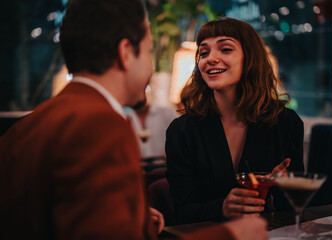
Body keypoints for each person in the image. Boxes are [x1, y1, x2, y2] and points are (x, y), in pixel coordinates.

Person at [0, 2, 268, 240]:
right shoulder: (100, 125)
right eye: (149, 50)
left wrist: (129, 220)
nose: (151, 66)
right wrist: (229, 235)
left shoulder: (27, 126)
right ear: (126, 52)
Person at [165, 17, 304, 224]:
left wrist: (278, 189)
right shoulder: (182, 131)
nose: (210, 58)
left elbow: (298, 206)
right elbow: (181, 212)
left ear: (250, 58)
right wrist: (220, 208)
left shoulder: (285, 123)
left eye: (225, 49)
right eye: (204, 52)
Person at [127, 100, 178, 170]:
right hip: (138, 168)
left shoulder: (166, 113)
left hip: (164, 167)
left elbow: (181, 135)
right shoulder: (126, 116)